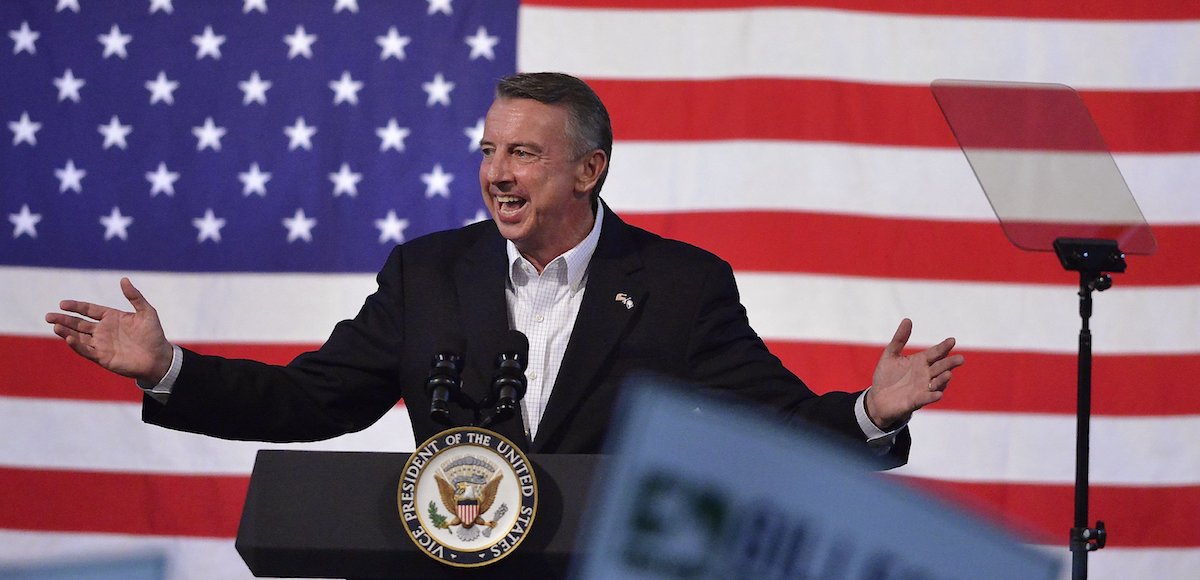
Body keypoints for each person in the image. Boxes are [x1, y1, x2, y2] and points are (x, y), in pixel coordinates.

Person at [45, 72, 963, 461]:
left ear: (588, 170)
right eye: (489, 150)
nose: (495, 173)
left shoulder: (680, 284)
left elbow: (779, 427)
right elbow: (312, 400)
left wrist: (871, 412)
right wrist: (169, 371)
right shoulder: (428, 274)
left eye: (523, 153)